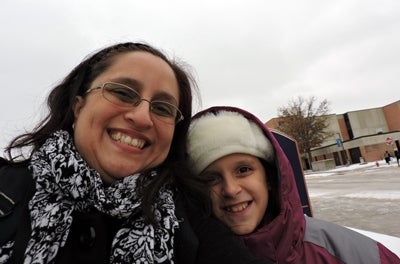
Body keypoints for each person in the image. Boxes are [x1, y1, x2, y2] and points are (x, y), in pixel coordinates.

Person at [0, 43, 270, 264]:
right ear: (78, 106)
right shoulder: (7, 189)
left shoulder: (190, 220)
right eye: (122, 92)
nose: (142, 118)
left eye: (163, 108)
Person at [186, 106, 400, 264]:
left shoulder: (352, 254)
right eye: (211, 178)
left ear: (269, 178)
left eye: (243, 170)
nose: (231, 189)